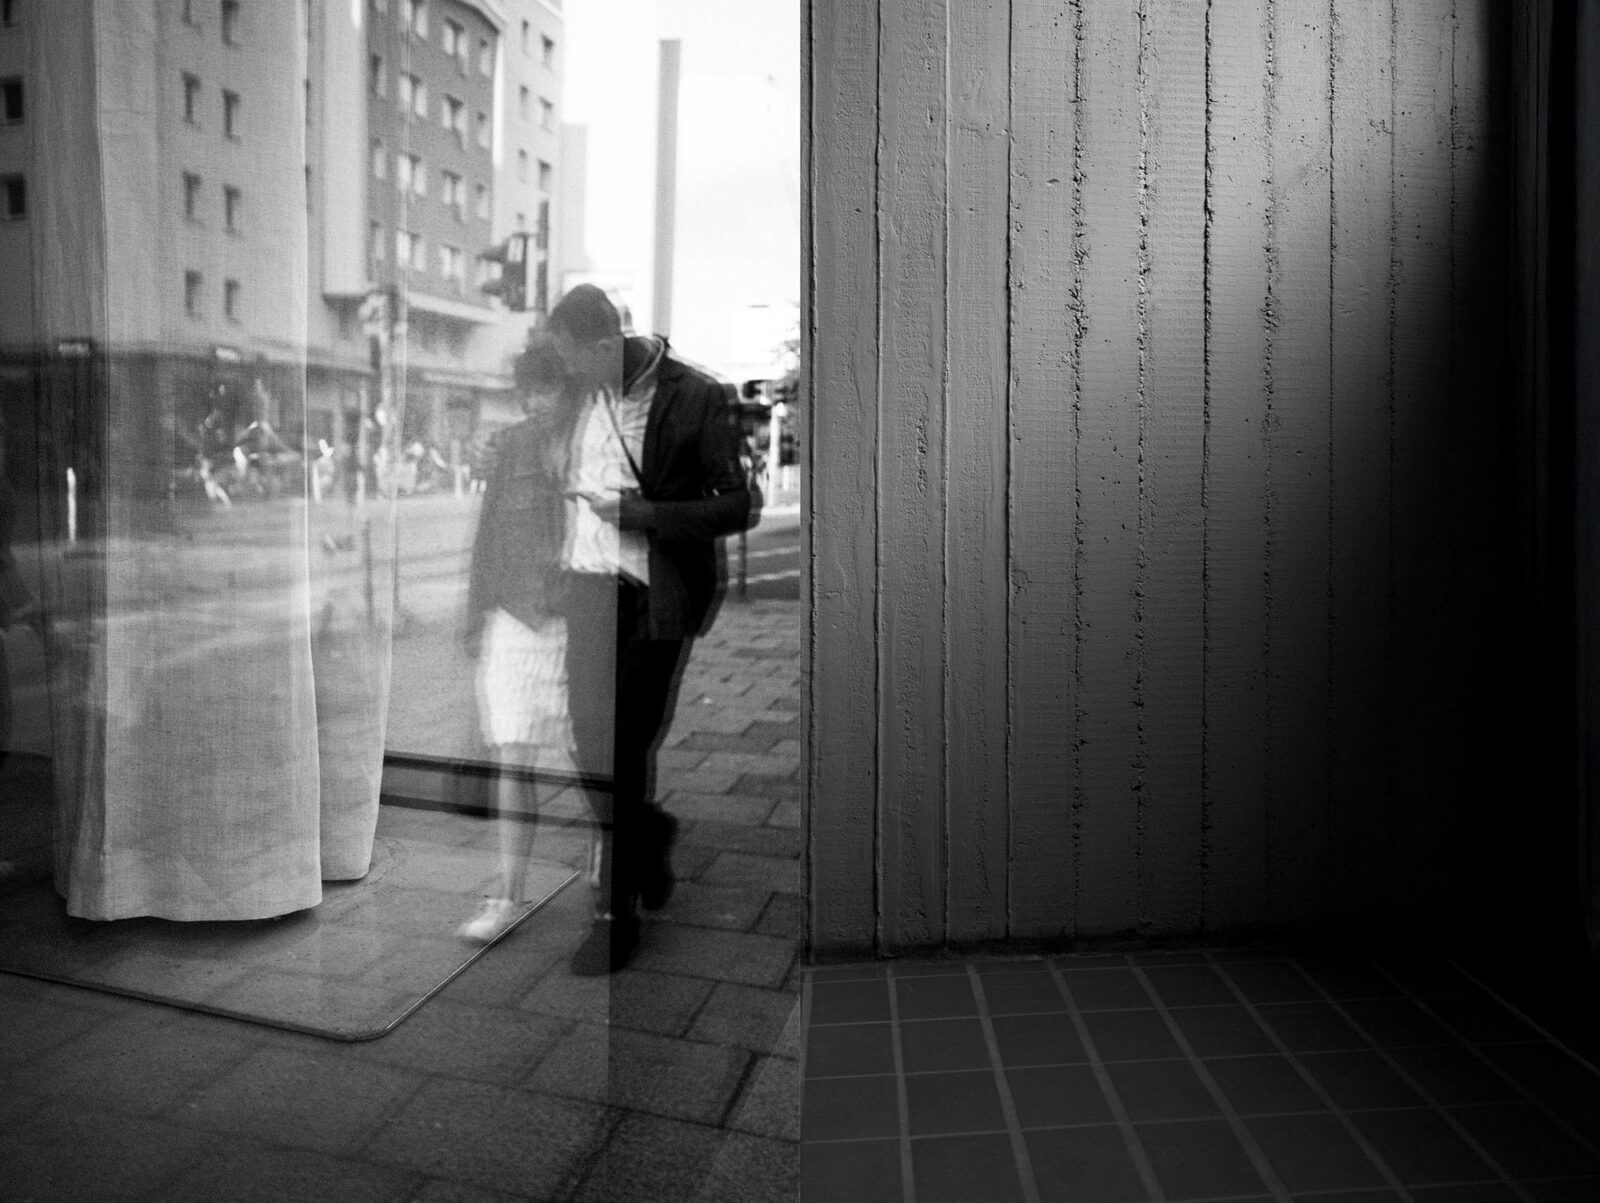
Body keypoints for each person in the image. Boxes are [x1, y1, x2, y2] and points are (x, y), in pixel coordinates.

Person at [547, 284, 759, 975]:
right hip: (587, 588)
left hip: (653, 594)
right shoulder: (581, 393)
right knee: (586, 737)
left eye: (576, 358)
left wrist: (646, 516)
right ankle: (650, 832)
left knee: (623, 743)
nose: (569, 372)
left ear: (607, 343)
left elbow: (739, 503)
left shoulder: (695, 395)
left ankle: (616, 914)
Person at [458, 335, 585, 942]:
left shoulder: (594, 444)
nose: (539, 403)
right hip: (514, 619)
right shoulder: (508, 446)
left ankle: (615, 855)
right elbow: (487, 533)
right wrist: (474, 612)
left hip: (572, 620)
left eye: (550, 390)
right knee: (512, 757)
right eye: (530, 392)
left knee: (590, 760)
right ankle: (506, 893)